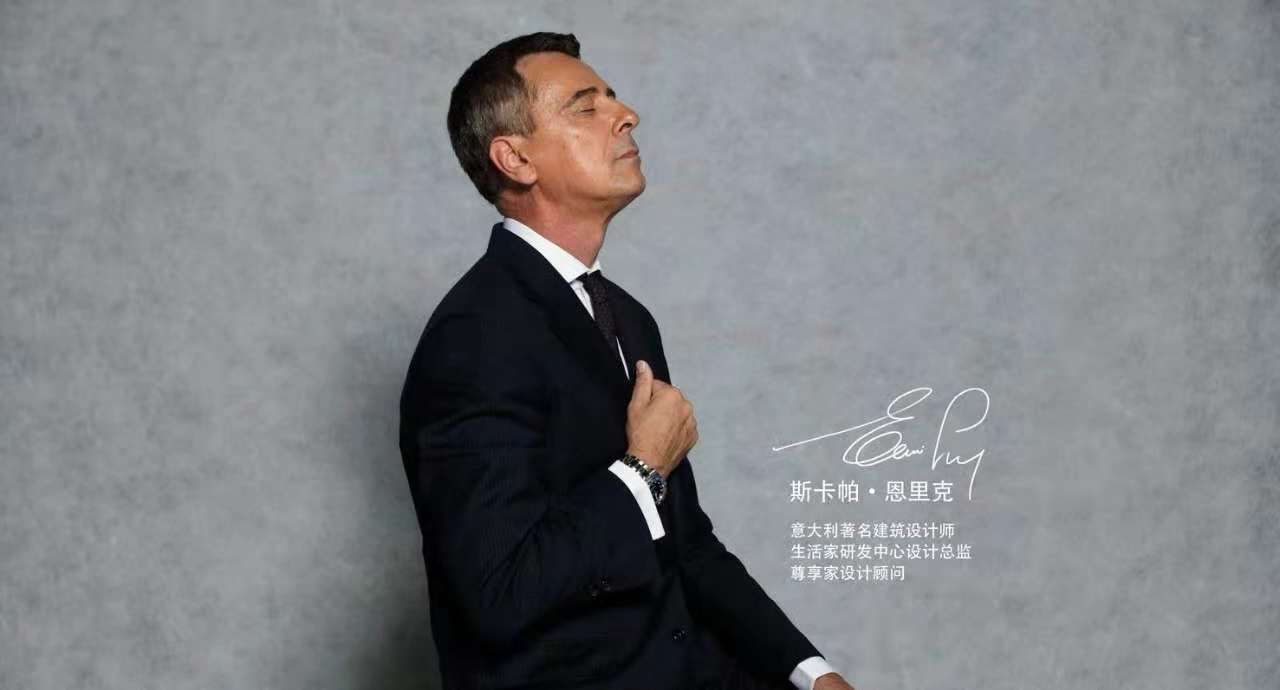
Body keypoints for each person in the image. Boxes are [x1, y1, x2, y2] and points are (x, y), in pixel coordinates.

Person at [398, 31, 857, 690]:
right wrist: (641, 468)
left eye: (613, 98)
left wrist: (812, 674)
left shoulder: (626, 317)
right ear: (516, 158)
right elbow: (500, 591)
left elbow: (686, 545)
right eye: (585, 107)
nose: (626, 115)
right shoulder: (475, 335)